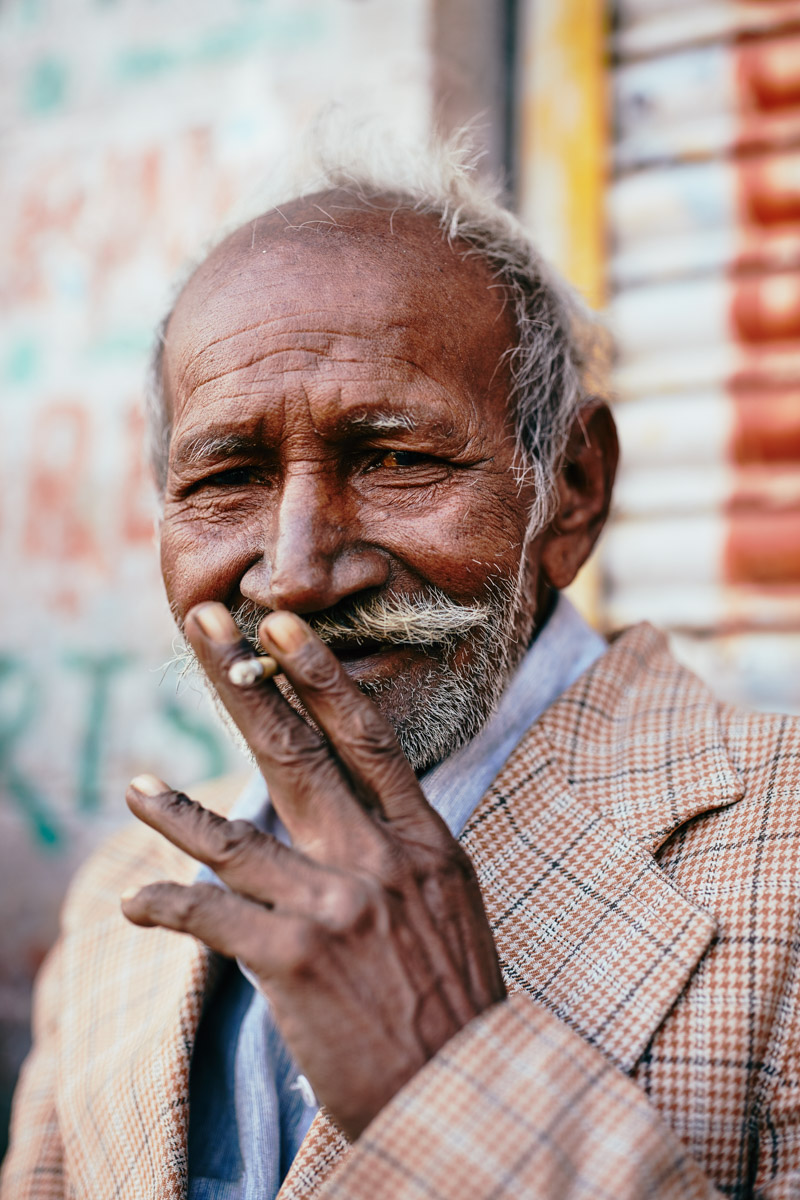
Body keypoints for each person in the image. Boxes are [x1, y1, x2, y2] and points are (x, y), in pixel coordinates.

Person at [3, 136, 800, 1200]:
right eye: (227, 477)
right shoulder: (121, 903)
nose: (292, 577)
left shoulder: (778, 852)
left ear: (568, 489)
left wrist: (448, 1083)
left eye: (395, 460)